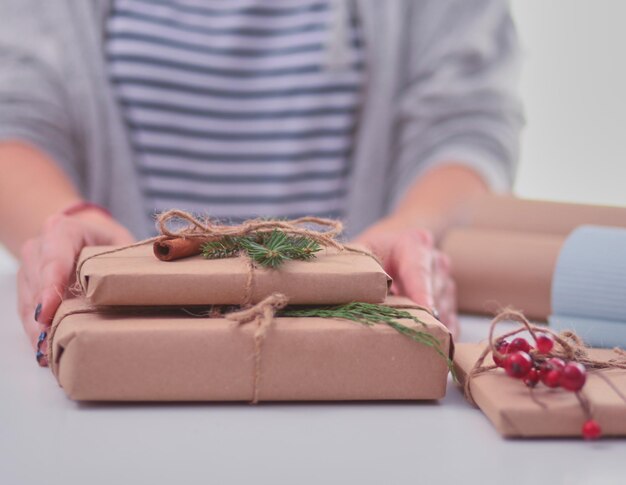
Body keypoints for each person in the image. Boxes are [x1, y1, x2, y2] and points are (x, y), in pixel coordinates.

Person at [0, 0, 523, 361]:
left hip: (361, 348)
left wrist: (413, 227)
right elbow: (16, 114)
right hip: (114, 350)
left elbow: (464, 124)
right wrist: (63, 224)